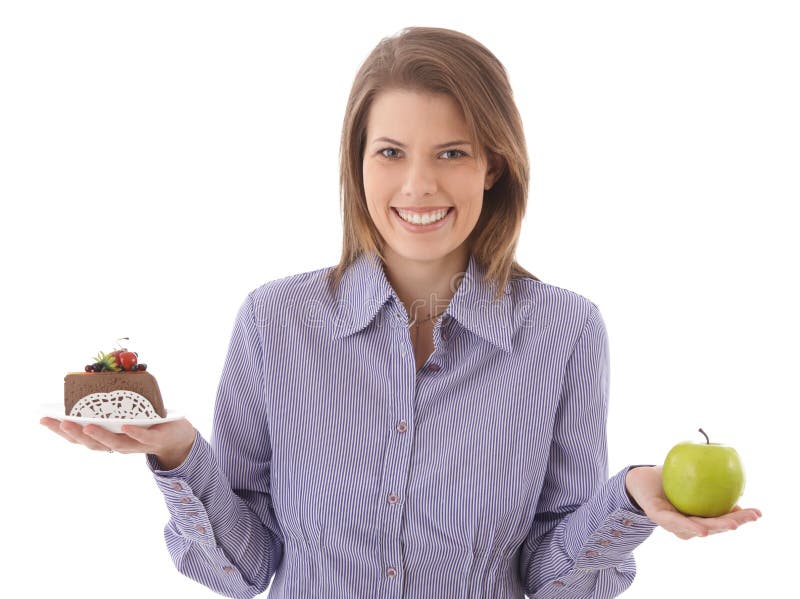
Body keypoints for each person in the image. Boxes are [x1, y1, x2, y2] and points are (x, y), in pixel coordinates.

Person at [40, 26, 761, 598]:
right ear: (357, 162)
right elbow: (245, 568)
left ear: (494, 165)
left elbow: (552, 578)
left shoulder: (565, 332)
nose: (418, 185)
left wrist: (629, 498)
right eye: (390, 151)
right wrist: (178, 455)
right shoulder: (274, 320)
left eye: (452, 152)